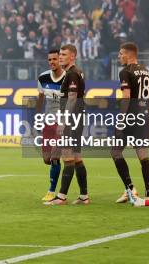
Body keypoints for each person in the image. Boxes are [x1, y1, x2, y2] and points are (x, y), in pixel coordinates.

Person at [112, 42, 149, 203]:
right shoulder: (146, 71)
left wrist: (122, 119)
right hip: (143, 117)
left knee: (115, 152)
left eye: (120, 53)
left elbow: (126, 96)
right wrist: (147, 114)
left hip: (130, 117)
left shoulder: (125, 72)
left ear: (129, 55)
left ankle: (130, 189)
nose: (119, 56)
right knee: (143, 156)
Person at [45, 44, 89, 205]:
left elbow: (72, 98)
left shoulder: (71, 74)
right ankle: (84, 196)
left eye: (64, 54)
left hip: (71, 120)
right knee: (77, 157)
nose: (60, 57)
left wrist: (64, 120)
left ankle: (61, 197)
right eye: (60, 54)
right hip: (78, 118)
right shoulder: (77, 72)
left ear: (72, 56)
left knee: (68, 157)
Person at [35, 49, 66, 202]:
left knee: (55, 157)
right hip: (48, 121)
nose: (52, 62)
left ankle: (52, 191)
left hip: (62, 123)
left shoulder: (68, 78)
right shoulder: (43, 77)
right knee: (47, 159)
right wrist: (37, 117)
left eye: (55, 59)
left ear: (60, 60)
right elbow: (40, 98)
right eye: (50, 60)